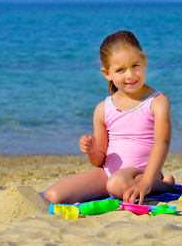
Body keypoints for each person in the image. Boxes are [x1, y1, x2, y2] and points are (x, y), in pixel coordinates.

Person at [45, 30, 175, 205]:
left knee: (116, 183)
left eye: (135, 65)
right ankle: (123, 185)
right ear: (107, 73)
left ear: (144, 62)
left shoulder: (157, 102)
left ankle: (165, 184)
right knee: (54, 196)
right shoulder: (103, 109)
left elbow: (162, 142)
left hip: (142, 174)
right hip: (108, 174)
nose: (130, 75)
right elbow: (99, 160)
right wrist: (91, 150)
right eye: (120, 70)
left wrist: (146, 181)